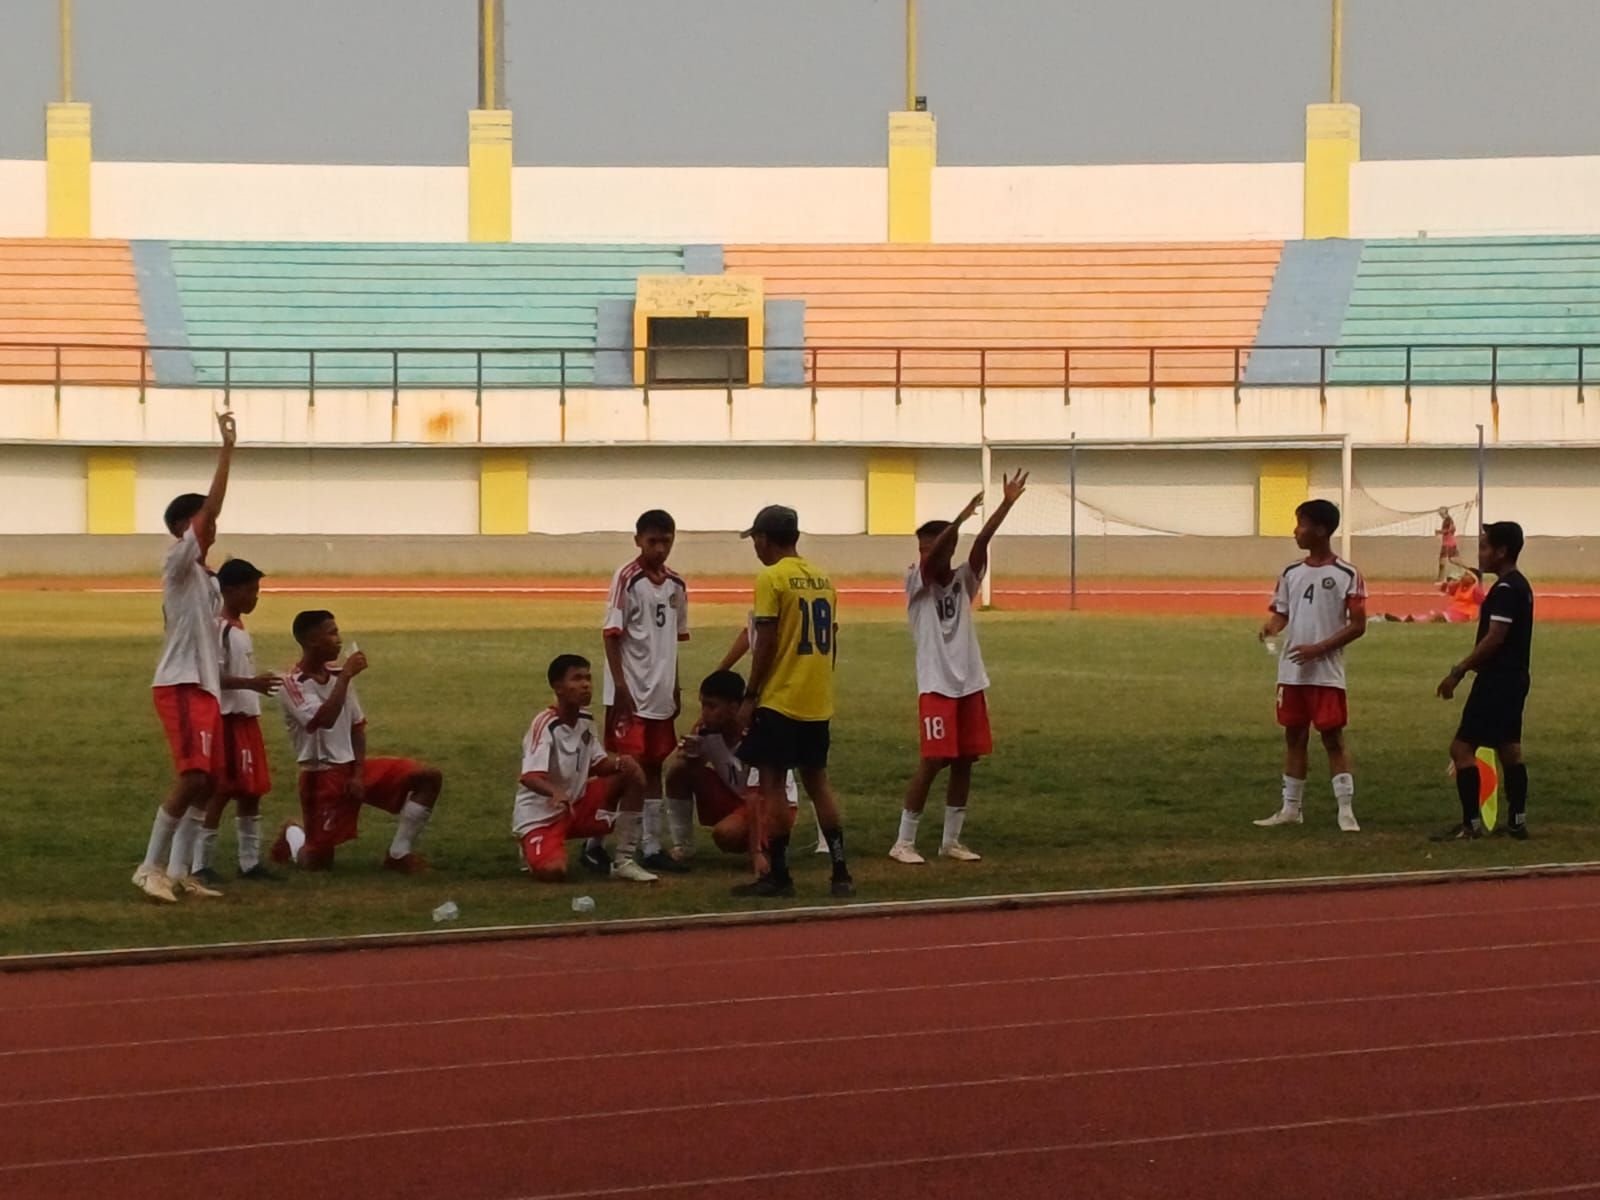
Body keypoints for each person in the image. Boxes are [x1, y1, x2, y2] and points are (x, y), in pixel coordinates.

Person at [890, 469, 1028, 865]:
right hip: (936, 684)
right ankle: (904, 840)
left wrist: (1005, 504)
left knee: (966, 760)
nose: (924, 555)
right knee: (933, 761)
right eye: (921, 549)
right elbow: (934, 559)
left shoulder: (965, 579)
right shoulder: (917, 581)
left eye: (929, 547)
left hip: (969, 682)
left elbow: (981, 543)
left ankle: (951, 840)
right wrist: (960, 519)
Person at [134, 410, 236, 903]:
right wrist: (227, 452)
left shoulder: (209, 581)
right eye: (202, 521)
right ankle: (150, 866)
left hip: (205, 687)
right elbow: (210, 511)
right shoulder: (177, 562)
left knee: (209, 780)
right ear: (183, 527)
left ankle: (179, 872)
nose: (211, 527)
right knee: (193, 776)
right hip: (179, 683)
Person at [734, 504, 854, 898]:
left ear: (765, 538)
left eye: (755, 538)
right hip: (816, 699)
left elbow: (764, 640)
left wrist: (751, 695)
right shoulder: (823, 579)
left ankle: (779, 875)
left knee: (772, 786)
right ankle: (840, 871)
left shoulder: (771, 577)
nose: (754, 545)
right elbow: (831, 639)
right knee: (818, 783)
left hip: (780, 698)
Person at [272, 610, 442, 872]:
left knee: (428, 777)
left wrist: (359, 774)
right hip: (321, 776)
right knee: (316, 862)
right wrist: (346, 677)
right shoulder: (292, 684)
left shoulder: (339, 677)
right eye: (331, 633)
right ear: (311, 641)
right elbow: (324, 718)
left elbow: (357, 726)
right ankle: (293, 834)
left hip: (351, 767)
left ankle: (399, 853)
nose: (338, 639)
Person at [1254, 499, 1368, 833]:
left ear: (1320, 530)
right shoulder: (1291, 572)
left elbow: (1358, 624)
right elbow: (1283, 612)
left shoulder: (1347, 574)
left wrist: (1319, 648)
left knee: (1332, 738)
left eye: (1301, 524)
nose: (1295, 531)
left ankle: (1345, 810)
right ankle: (1291, 809)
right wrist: (1272, 626)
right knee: (1294, 736)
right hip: (1292, 672)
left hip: (1326, 673)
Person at [599, 510, 689, 876]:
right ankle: (600, 843)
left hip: (661, 693)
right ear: (638, 540)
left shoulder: (677, 586)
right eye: (652, 540)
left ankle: (650, 845)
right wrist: (620, 686)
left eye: (666, 540)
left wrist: (676, 684)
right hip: (631, 692)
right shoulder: (627, 578)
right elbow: (611, 633)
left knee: (654, 768)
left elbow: (674, 641)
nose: (660, 548)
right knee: (624, 769)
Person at [1433, 522, 1534, 841]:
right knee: (1509, 749)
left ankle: (1471, 824)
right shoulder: (1521, 586)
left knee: (1461, 748)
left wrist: (1459, 670)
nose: (1482, 554)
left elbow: (1495, 638)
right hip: (1516, 677)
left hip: (1496, 679)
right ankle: (1517, 822)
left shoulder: (1504, 591)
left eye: (1485, 547)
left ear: (1502, 551)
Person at [515, 654, 655, 882]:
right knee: (553, 872)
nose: (585, 684)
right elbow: (529, 777)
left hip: (575, 805)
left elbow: (599, 764)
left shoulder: (586, 720)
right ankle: (531, 845)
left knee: (631, 774)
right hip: (542, 815)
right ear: (558, 687)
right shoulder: (545, 725)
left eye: (588, 678)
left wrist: (621, 762)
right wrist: (555, 792)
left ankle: (624, 860)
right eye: (577, 678)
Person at [192, 558, 282, 885]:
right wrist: (251, 684)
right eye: (250, 590)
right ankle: (200, 862)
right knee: (222, 789)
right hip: (228, 718)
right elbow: (211, 675)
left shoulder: (239, 627)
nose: (255, 597)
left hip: (247, 717)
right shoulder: (221, 628)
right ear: (229, 590)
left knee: (251, 789)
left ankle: (249, 862)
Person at [663, 670, 800, 858]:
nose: (705, 713)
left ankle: (768, 845)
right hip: (738, 796)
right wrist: (689, 753)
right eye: (703, 705)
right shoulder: (706, 729)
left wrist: (756, 854)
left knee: (727, 835)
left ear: (734, 707)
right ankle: (683, 845)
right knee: (679, 770)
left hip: (770, 802)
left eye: (712, 706)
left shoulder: (757, 733)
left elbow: (756, 796)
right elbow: (683, 770)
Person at [714, 616, 821, 855]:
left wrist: (751, 694)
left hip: (775, 697)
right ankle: (824, 847)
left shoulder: (773, 597)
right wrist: (720, 673)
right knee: (809, 772)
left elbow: (764, 642)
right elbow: (749, 633)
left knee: (776, 778)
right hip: (793, 694)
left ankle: (773, 852)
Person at [1377, 569, 1485, 625]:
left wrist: (1476, 620)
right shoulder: (1459, 586)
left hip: (1463, 615)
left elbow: (1484, 604)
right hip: (1452, 611)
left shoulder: (1475, 590)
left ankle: (1412, 622)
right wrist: (1453, 582)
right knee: (1432, 615)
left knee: (1438, 617)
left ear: (1473, 579)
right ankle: (1408, 620)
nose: (1464, 576)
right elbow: (1444, 589)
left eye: (1467, 575)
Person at [1437, 508, 1467, 582]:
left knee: (1442, 562)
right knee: (1452, 560)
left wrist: (1439, 531)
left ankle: (1440, 579)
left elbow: (1448, 530)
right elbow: (1452, 529)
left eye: (1441, 513)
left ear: (1445, 512)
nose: (1440, 514)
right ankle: (1467, 569)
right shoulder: (1448, 520)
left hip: (1448, 543)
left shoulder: (1448, 520)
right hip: (1450, 542)